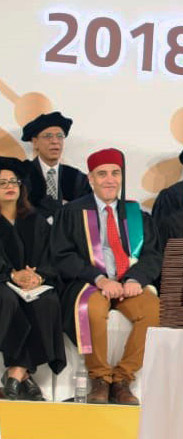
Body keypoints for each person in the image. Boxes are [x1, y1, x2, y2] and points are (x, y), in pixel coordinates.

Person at [51, 148, 162, 406]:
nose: (110, 180)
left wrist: (135, 279)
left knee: (155, 311)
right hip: (90, 283)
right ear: (91, 178)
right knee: (90, 309)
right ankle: (99, 379)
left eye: (115, 173)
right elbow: (62, 255)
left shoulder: (136, 214)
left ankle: (122, 380)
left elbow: (153, 255)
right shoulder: (72, 212)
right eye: (102, 174)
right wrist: (99, 279)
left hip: (129, 284)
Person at [0, 158, 66, 400]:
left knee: (47, 301)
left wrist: (38, 276)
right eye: (2, 183)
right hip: (2, 283)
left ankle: (16, 373)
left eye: (13, 181)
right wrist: (11, 274)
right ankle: (24, 375)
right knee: (7, 299)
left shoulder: (35, 220)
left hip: (31, 285)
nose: (9, 186)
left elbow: (51, 256)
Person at [19, 111, 91, 222]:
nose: (55, 141)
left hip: (68, 236)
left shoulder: (76, 177)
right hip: (31, 235)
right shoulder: (22, 173)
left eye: (59, 136)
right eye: (48, 136)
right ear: (35, 142)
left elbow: (88, 210)